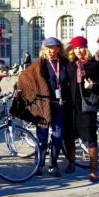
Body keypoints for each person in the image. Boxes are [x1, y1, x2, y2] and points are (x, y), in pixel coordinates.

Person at [19, 37, 70, 177]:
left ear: (58, 48)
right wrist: (31, 96)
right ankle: (39, 164)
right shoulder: (39, 64)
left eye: (53, 47)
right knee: (42, 136)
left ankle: (53, 164)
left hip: (59, 105)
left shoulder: (65, 63)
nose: (50, 50)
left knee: (58, 135)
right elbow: (24, 78)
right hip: (43, 106)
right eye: (47, 48)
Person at [66, 36, 99, 182]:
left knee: (91, 137)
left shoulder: (93, 65)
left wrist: (93, 86)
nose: (78, 51)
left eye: (81, 47)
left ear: (86, 48)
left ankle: (94, 169)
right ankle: (71, 163)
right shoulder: (70, 65)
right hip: (71, 107)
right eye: (76, 48)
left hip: (87, 107)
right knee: (70, 137)